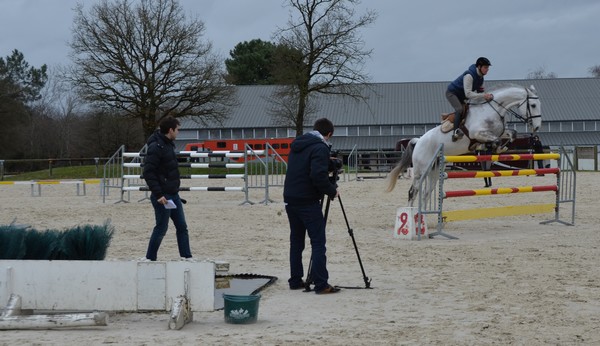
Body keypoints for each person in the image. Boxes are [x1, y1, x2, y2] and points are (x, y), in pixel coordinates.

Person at [283, 118, 340, 295]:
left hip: (290, 198)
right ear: (328, 134)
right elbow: (317, 176)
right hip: (307, 200)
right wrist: (332, 191)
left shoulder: (299, 144)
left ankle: (295, 280)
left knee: (296, 241)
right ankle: (321, 284)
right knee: (318, 242)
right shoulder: (320, 147)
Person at [142, 116, 193, 261]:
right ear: (170, 130)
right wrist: (158, 194)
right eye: (177, 130)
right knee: (161, 228)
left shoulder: (169, 144)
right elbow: (148, 172)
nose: (178, 133)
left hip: (173, 194)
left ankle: (186, 256)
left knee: (182, 226)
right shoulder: (156, 147)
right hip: (163, 196)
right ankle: (150, 258)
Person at [446, 57, 495, 141]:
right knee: (460, 109)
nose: (487, 70)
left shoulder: (481, 78)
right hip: (452, 93)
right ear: (479, 67)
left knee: (471, 110)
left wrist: (487, 98)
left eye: (488, 68)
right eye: (485, 67)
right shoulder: (469, 76)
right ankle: (455, 133)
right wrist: (484, 96)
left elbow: (480, 93)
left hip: (461, 96)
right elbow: (468, 94)